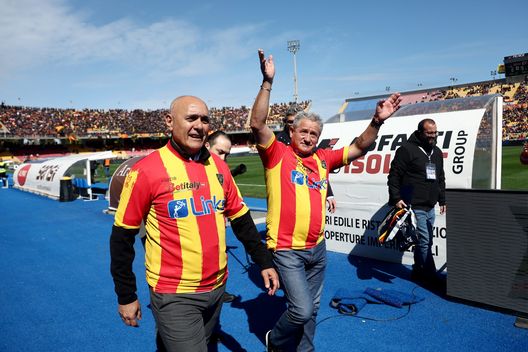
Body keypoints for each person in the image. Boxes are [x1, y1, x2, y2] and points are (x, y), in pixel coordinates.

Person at [251, 49, 402, 352]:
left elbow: (360, 146)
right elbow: (257, 124)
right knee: (301, 309)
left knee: (314, 308)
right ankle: (276, 341)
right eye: (303, 131)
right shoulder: (277, 154)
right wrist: (267, 83)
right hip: (287, 250)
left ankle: (305, 350)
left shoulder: (323, 158)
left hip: (317, 248)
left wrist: (377, 121)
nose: (308, 137)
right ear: (291, 132)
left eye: (314, 134)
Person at [110, 96, 279, 352]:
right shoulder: (146, 171)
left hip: (217, 287)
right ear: (170, 121)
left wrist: (264, 261)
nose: (199, 125)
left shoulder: (219, 167)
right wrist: (126, 295)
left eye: (205, 119)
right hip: (175, 295)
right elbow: (122, 237)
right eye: (191, 118)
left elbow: (242, 220)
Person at [387, 118, 446, 286]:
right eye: (429, 133)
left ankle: (418, 271)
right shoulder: (406, 150)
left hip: (430, 205)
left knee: (425, 241)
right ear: (420, 132)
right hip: (414, 205)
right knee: (424, 240)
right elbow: (394, 175)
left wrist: (442, 199)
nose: (433, 136)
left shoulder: (437, 152)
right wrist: (396, 198)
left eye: (435, 132)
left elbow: (441, 177)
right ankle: (431, 276)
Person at [205, 130, 246, 303]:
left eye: (226, 154)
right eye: (219, 152)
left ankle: (219, 292)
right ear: (207, 146)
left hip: (217, 225)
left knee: (219, 258)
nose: (222, 158)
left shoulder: (221, 168)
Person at [276, 106, 337, 213]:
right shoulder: (279, 142)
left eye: (296, 121)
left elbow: (321, 168)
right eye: (290, 122)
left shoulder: (309, 143)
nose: (292, 124)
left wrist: (329, 193)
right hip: (284, 191)